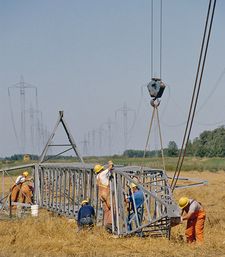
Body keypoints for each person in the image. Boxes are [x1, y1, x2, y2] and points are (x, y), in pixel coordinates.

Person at [94, 161, 114, 231]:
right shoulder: (103, 173)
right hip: (106, 193)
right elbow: (110, 167)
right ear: (101, 170)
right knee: (111, 208)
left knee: (106, 210)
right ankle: (110, 224)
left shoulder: (97, 176)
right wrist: (110, 163)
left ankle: (105, 225)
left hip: (101, 195)